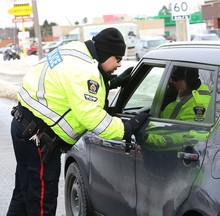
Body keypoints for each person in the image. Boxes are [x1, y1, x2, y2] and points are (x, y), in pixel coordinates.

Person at [7, 27, 149, 216]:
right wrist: (126, 128)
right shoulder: (86, 71)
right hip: (38, 139)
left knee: (25, 194)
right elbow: (92, 118)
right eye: (118, 59)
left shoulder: (75, 50)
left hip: (24, 126)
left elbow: (71, 85)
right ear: (106, 54)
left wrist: (109, 83)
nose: (120, 64)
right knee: (41, 202)